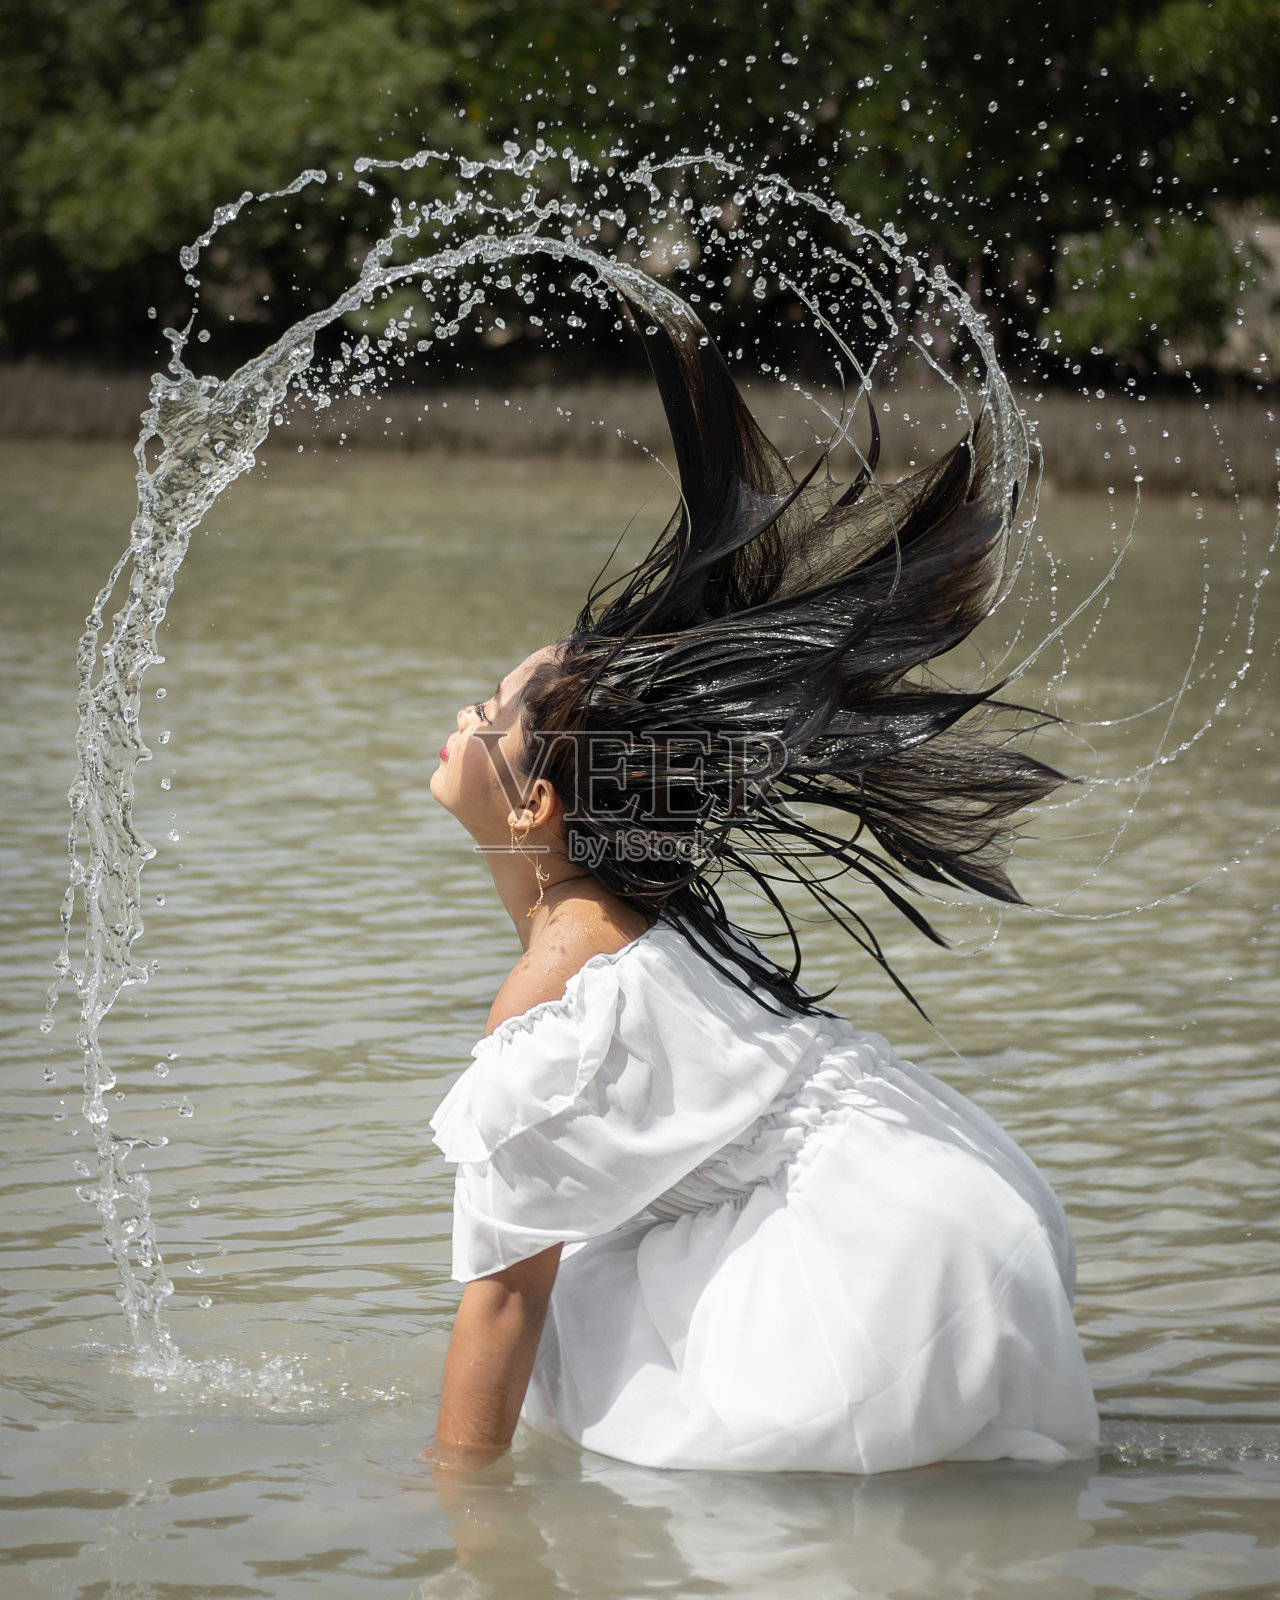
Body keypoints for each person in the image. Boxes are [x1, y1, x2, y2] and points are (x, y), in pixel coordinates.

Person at [424, 279, 1100, 1475]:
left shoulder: (552, 982)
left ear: (534, 805)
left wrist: (454, 1522)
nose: (461, 716)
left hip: (880, 1273)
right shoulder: (648, 918)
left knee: (581, 1352)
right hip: (961, 1203)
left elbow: (503, 1302)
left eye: (490, 712)